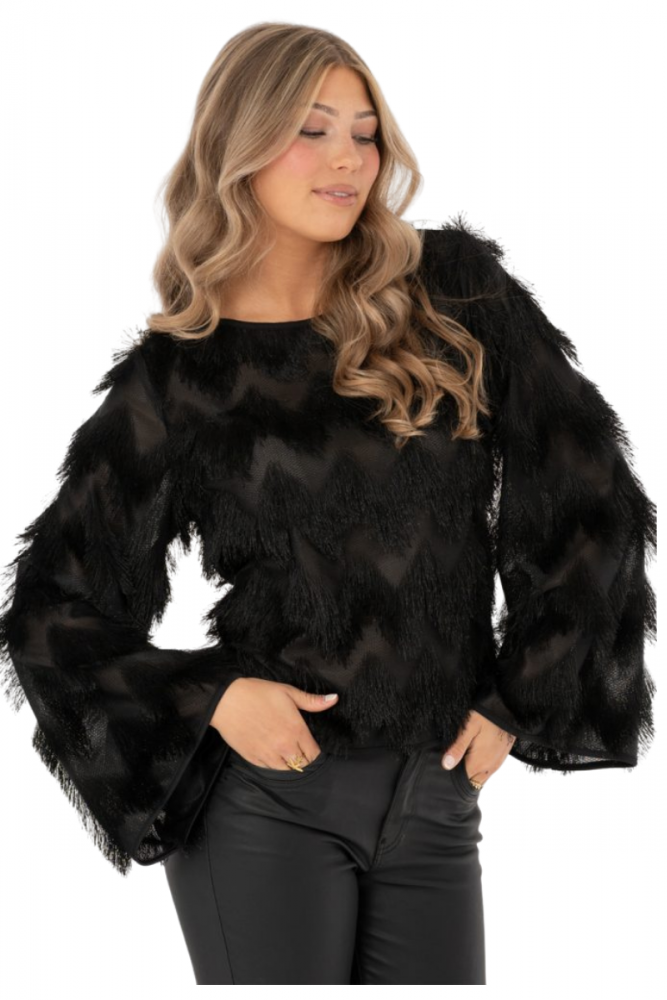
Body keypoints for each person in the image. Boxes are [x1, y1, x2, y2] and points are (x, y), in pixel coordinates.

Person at [0, 22, 656, 987]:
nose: (348, 158)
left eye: (364, 131)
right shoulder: (180, 377)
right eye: (311, 130)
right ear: (239, 146)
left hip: (435, 795)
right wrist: (217, 695)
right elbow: (53, 609)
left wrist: (521, 693)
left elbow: (588, 488)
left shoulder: (452, 292)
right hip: (267, 803)